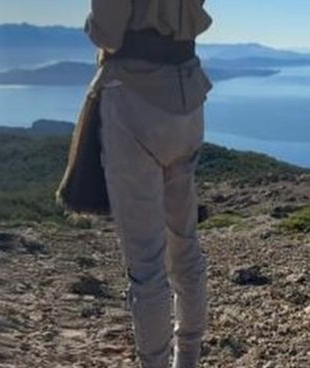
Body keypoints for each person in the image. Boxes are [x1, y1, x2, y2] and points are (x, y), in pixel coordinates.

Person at [61, 1, 213, 367]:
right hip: (188, 94)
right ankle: (188, 357)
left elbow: (106, 31)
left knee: (146, 263)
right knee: (184, 243)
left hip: (135, 96)